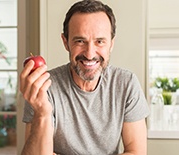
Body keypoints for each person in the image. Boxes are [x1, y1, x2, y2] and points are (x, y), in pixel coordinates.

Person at [20, 0, 150, 154]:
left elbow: (137, 152)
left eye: (100, 41)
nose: (89, 54)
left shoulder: (126, 84)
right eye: (80, 41)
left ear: (111, 44)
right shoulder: (43, 88)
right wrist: (42, 113)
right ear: (66, 42)